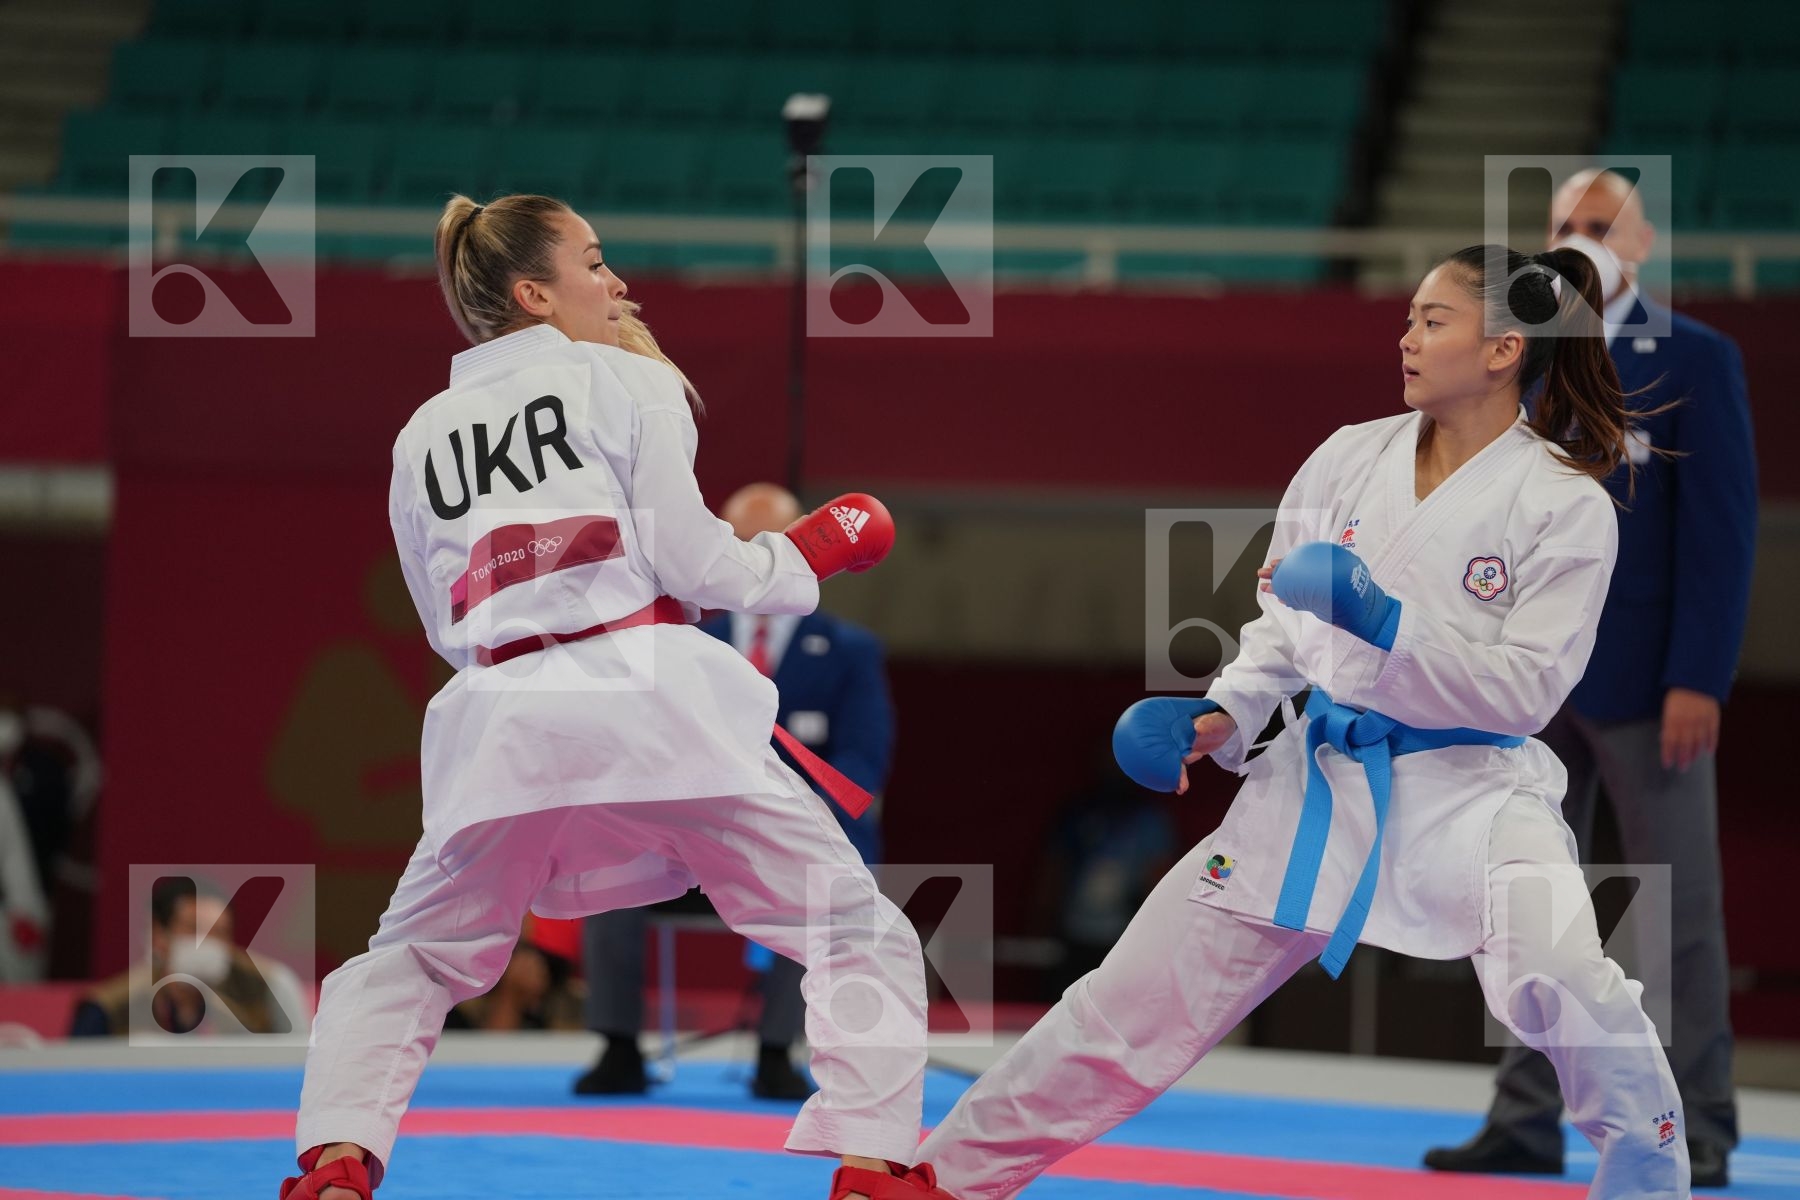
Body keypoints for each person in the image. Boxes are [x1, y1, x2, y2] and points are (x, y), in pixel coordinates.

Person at [911, 243, 1691, 1200]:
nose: (1406, 339)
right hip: (1317, 783)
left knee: (1565, 975)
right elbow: (1281, 629)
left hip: (1474, 796)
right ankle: (940, 1177)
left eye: (1432, 321)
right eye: (1407, 319)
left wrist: (1387, 622)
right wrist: (1220, 712)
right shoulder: (1348, 456)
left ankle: (1650, 1178)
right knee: (1129, 1004)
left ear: (1503, 349)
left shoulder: (1565, 501)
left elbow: (1527, 693)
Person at [277, 193, 956, 1200]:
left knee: (411, 957)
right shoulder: (631, 380)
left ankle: (337, 1158)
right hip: (651, 708)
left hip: (501, 721)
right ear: (534, 293)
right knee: (853, 928)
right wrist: (803, 555)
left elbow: (442, 622)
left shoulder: (421, 434)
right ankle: (871, 1167)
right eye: (593, 262)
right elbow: (697, 563)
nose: (617, 280)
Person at [1425, 169, 1755, 1189]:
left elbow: (1722, 533)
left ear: (1643, 244)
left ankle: (1700, 1122)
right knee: (1523, 906)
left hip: (1648, 681)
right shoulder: (1517, 352)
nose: (1581, 236)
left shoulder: (1696, 357)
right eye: (1565, 223)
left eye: (1602, 224)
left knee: (1676, 906)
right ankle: (1525, 1115)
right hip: (1525, 681)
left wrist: (1699, 675)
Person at [577, 481, 896, 1101]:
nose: (760, 556)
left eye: (773, 541)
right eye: (744, 543)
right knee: (611, 868)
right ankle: (618, 1047)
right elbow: (649, 744)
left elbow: (862, 760)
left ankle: (777, 1052)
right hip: (686, 836)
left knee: (816, 874)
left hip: (786, 829)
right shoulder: (681, 638)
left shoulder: (850, 651)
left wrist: (785, 815)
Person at [70, 877, 309, 1037]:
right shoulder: (109, 1008)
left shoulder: (271, 987)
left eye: (219, 932)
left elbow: (302, 1068)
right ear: (158, 935)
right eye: (194, 929)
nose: (208, 943)